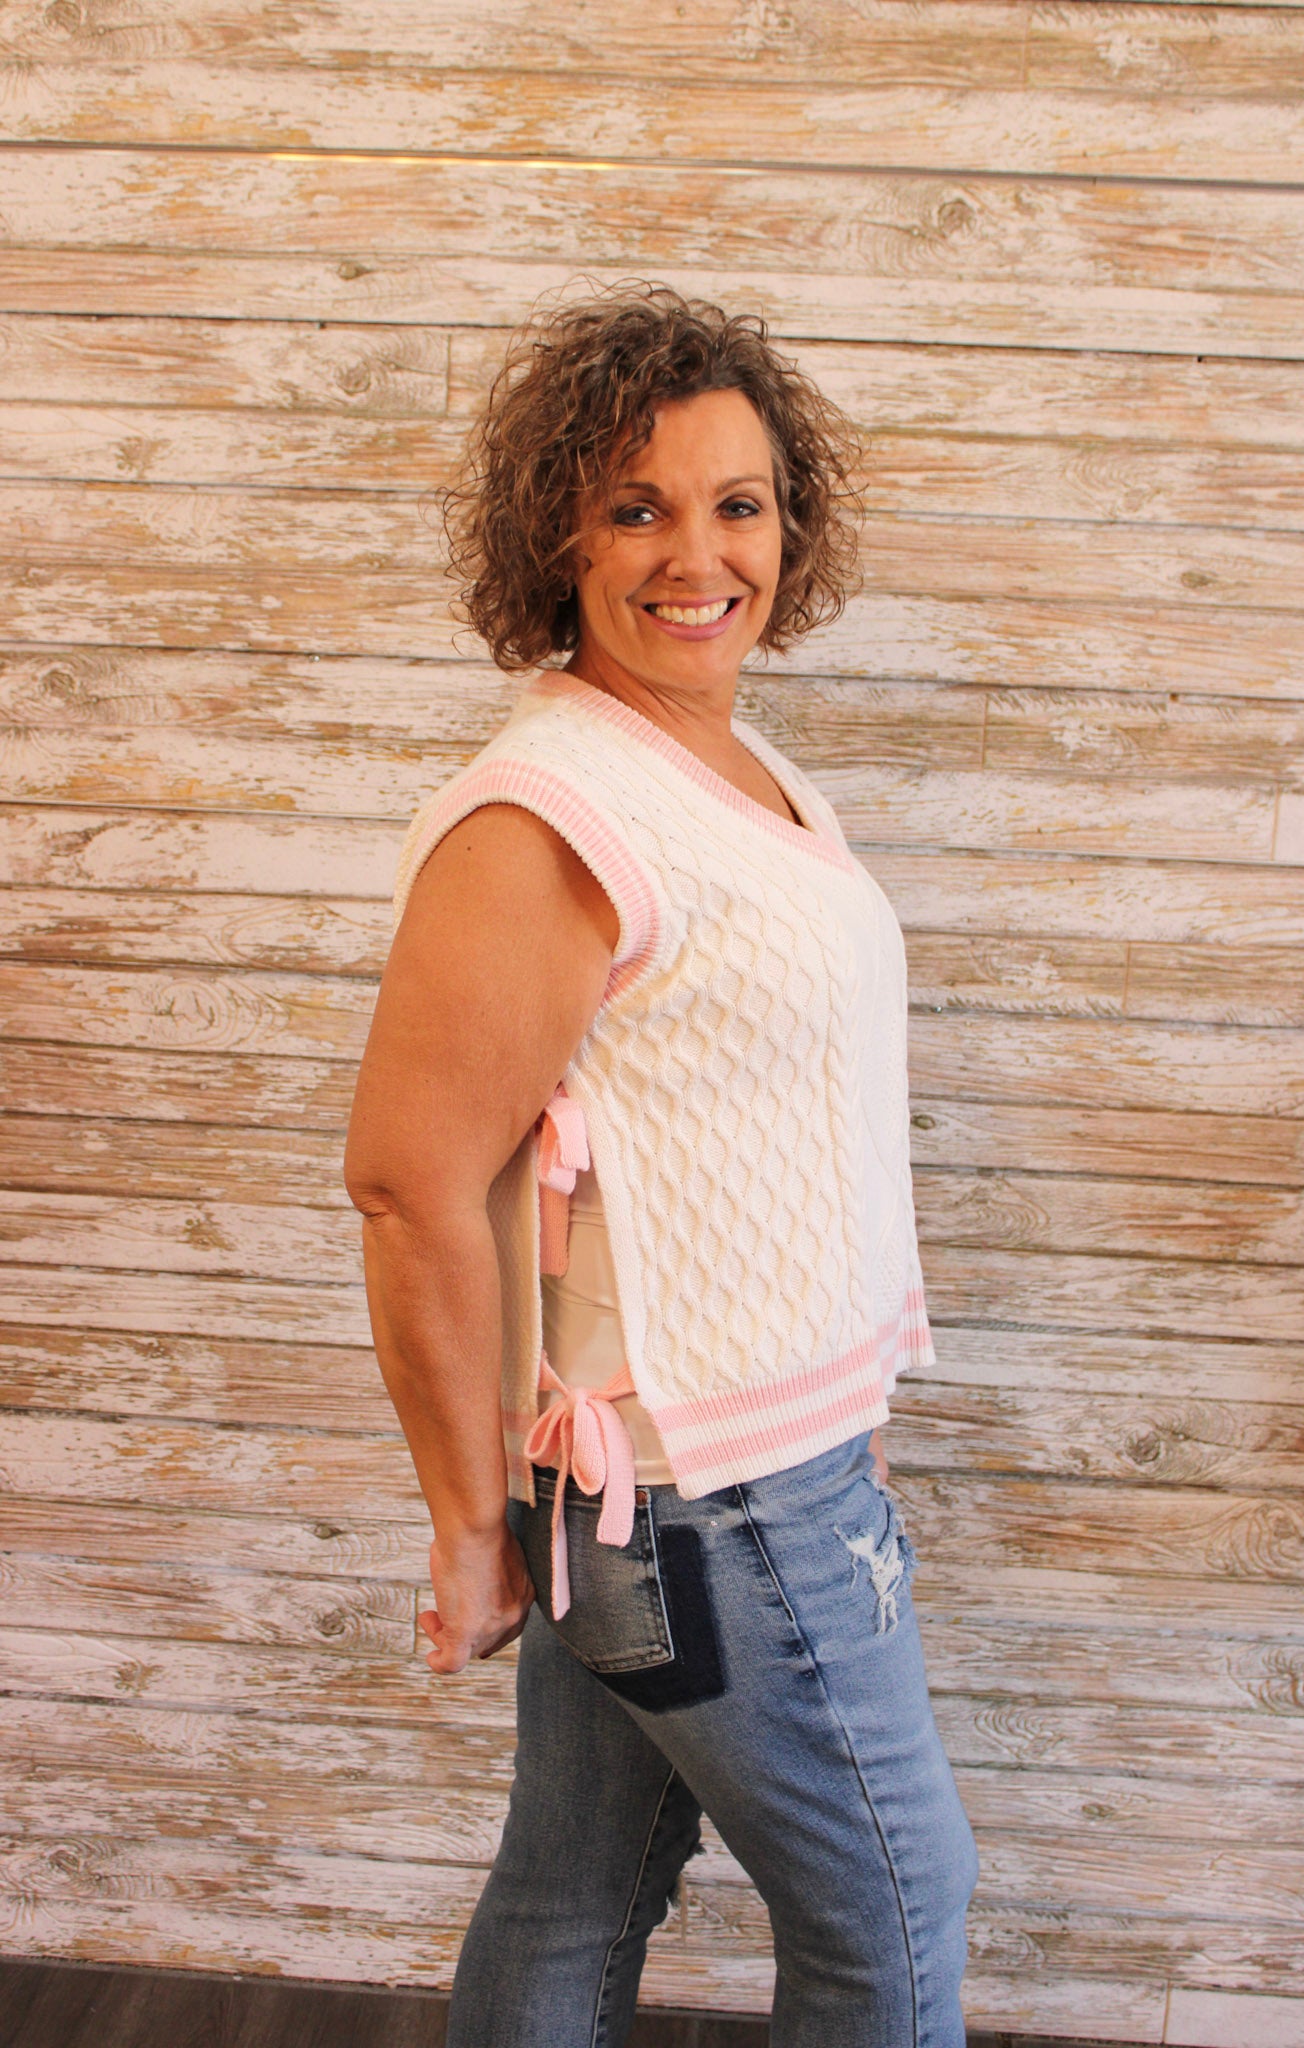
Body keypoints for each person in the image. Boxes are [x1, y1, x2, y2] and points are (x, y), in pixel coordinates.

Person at [344, 284, 978, 2048]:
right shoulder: (543, 818)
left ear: (790, 523)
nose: (697, 557)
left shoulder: (725, 759)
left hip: (730, 1472)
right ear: (555, 535)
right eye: (636, 508)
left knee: (577, 1886)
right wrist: (467, 1522)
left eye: (736, 504)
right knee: (898, 1911)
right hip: (707, 1501)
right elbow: (408, 1180)